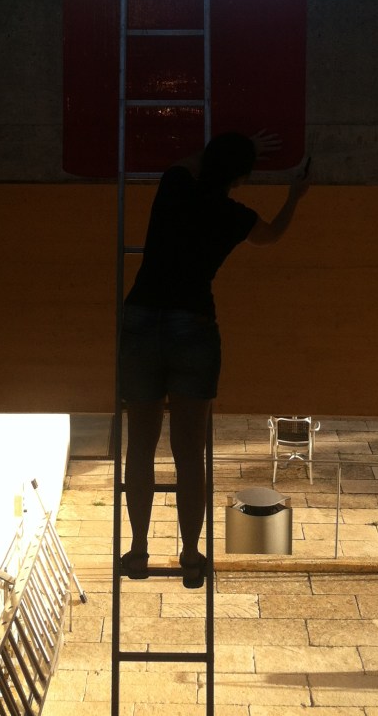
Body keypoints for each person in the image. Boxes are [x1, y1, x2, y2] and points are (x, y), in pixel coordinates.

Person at [118, 130, 309, 588]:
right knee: (190, 454)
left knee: (139, 446)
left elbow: (191, 159)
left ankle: (139, 550)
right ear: (241, 179)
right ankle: (189, 555)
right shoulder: (234, 216)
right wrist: (294, 196)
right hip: (193, 326)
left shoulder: (175, 184)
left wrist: (239, 146)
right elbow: (273, 235)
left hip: (141, 319)